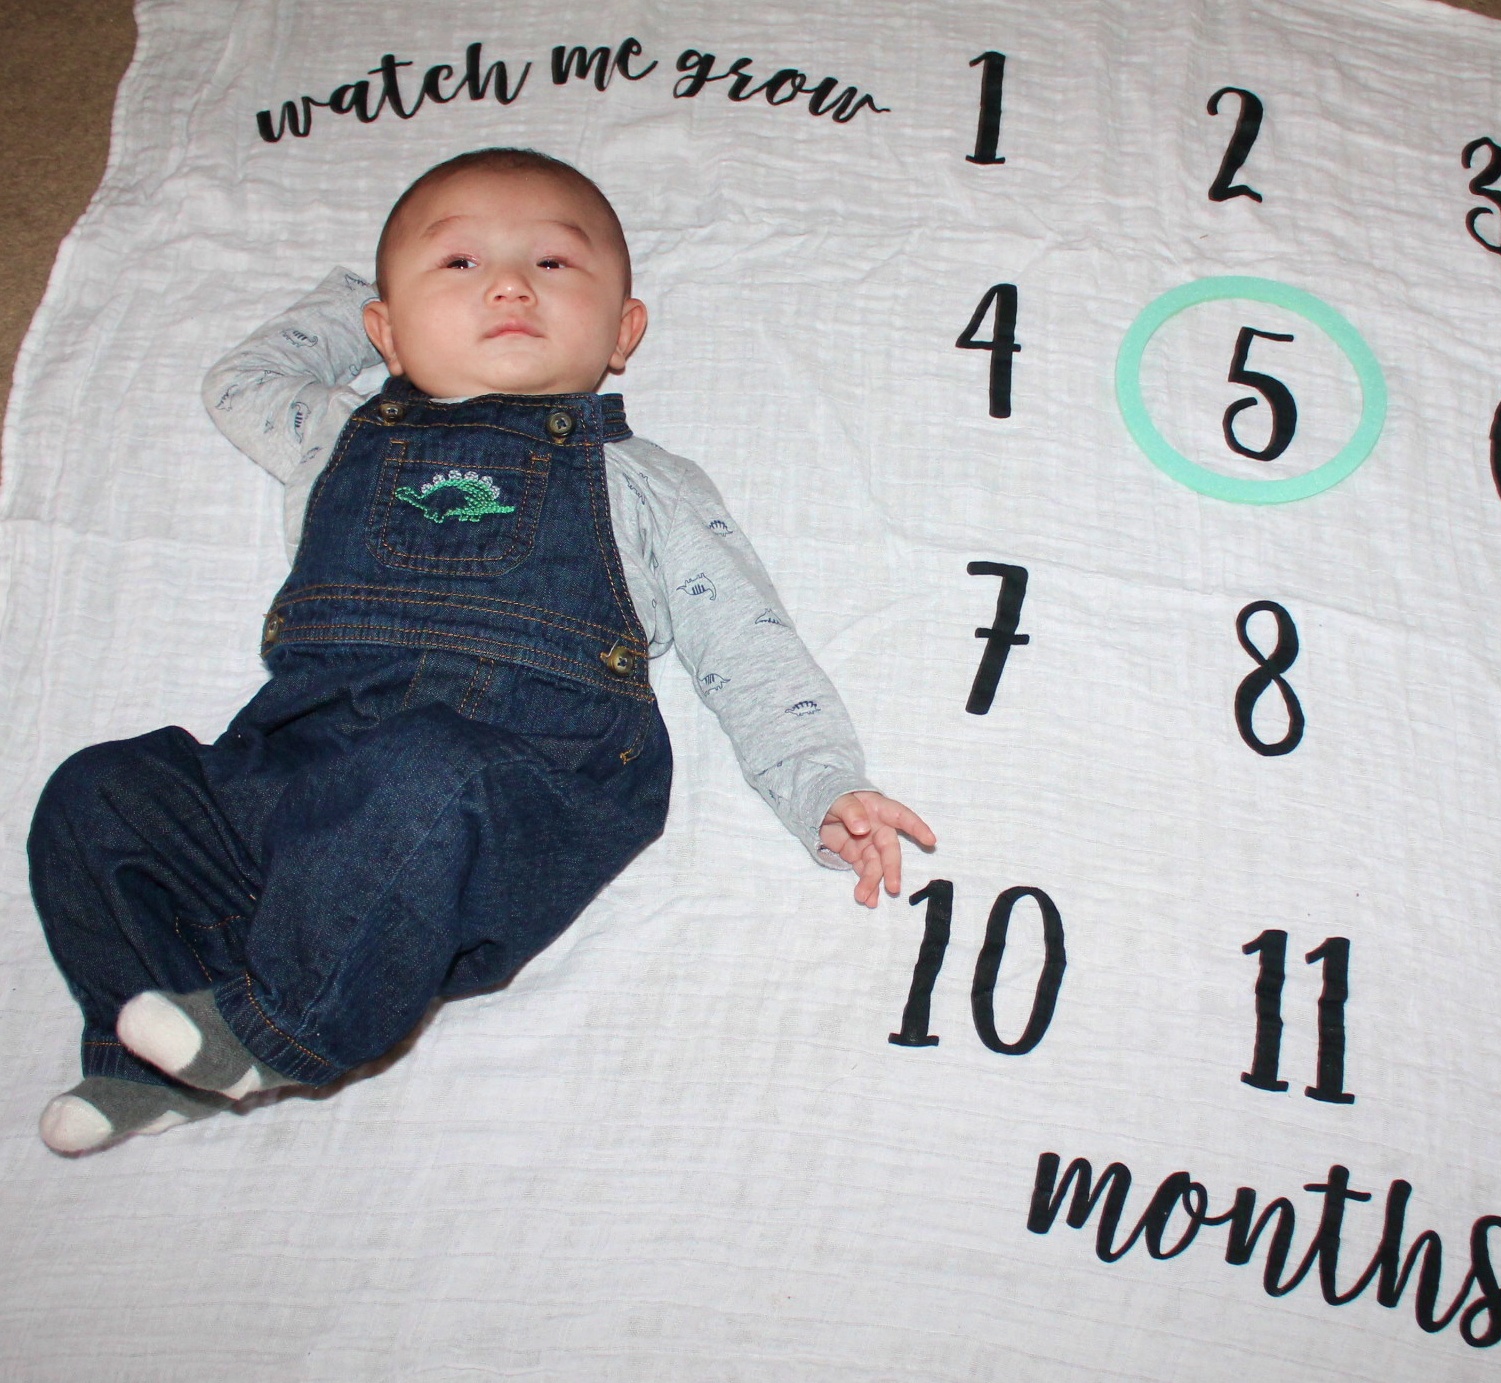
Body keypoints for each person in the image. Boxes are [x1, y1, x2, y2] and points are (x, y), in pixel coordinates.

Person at [30, 147, 934, 1155]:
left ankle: (285, 1027)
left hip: (509, 793)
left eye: (553, 264)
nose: (508, 285)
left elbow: (746, 639)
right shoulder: (336, 432)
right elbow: (241, 380)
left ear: (623, 331)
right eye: (458, 264)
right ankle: (155, 1053)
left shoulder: (645, 483)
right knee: (100, 790)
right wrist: (360, 300)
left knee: (424, 767)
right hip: (289, 779)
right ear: (385, 331)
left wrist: (821, 782)